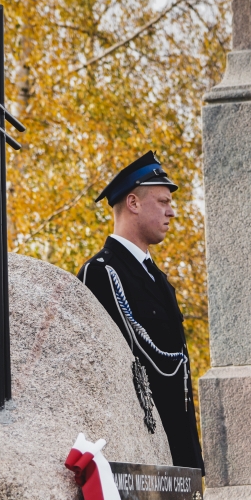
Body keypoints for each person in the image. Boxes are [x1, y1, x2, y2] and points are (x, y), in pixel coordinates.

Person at [77, 152, 203, 470]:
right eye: (162, 201)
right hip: (138, 452)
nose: (171, 212)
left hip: (176, 452)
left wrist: (190, 456)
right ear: (133, 203)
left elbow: (179, 371)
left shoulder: (158, 280)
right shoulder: (102, 273)